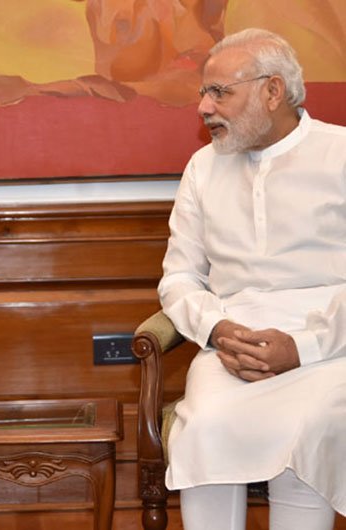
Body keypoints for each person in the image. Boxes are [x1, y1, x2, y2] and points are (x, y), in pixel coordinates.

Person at [158, 28, 346, 530]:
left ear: (272, 91)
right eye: (204, 91)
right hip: (231, 347)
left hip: (331, 348)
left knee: (311, 425)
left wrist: (302, 347)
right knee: (206, 426)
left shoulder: (341, 155)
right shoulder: (202, 168)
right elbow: (178, 277)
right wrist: (219, 331)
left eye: (219, 91)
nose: (203, 106)